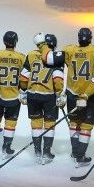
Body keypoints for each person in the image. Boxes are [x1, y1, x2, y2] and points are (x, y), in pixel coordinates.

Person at [60, 27, 94, 165]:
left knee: (74, 123)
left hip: (72, 93)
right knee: (87, 125)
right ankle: (80, 156)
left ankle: (75, 151)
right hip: (89, 94)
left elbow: (66, 63)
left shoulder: (69, 50)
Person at [0, 31, 27, 156]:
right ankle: (6, 148)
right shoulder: (22, 57)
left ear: (4, 41)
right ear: (15, 42)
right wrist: (23, 91)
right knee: (10, 123)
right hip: (14, 97)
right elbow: (24, 79)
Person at [26, 33, 63, 164]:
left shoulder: (31, 55)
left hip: (32, 95)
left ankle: (37, 151)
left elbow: (24, 77)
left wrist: (24, 90)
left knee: (36, 123)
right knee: (49, 124)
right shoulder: (57, 57)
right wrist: (59, 94)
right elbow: (58, 80)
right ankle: (46, 152)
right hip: (48, 96)